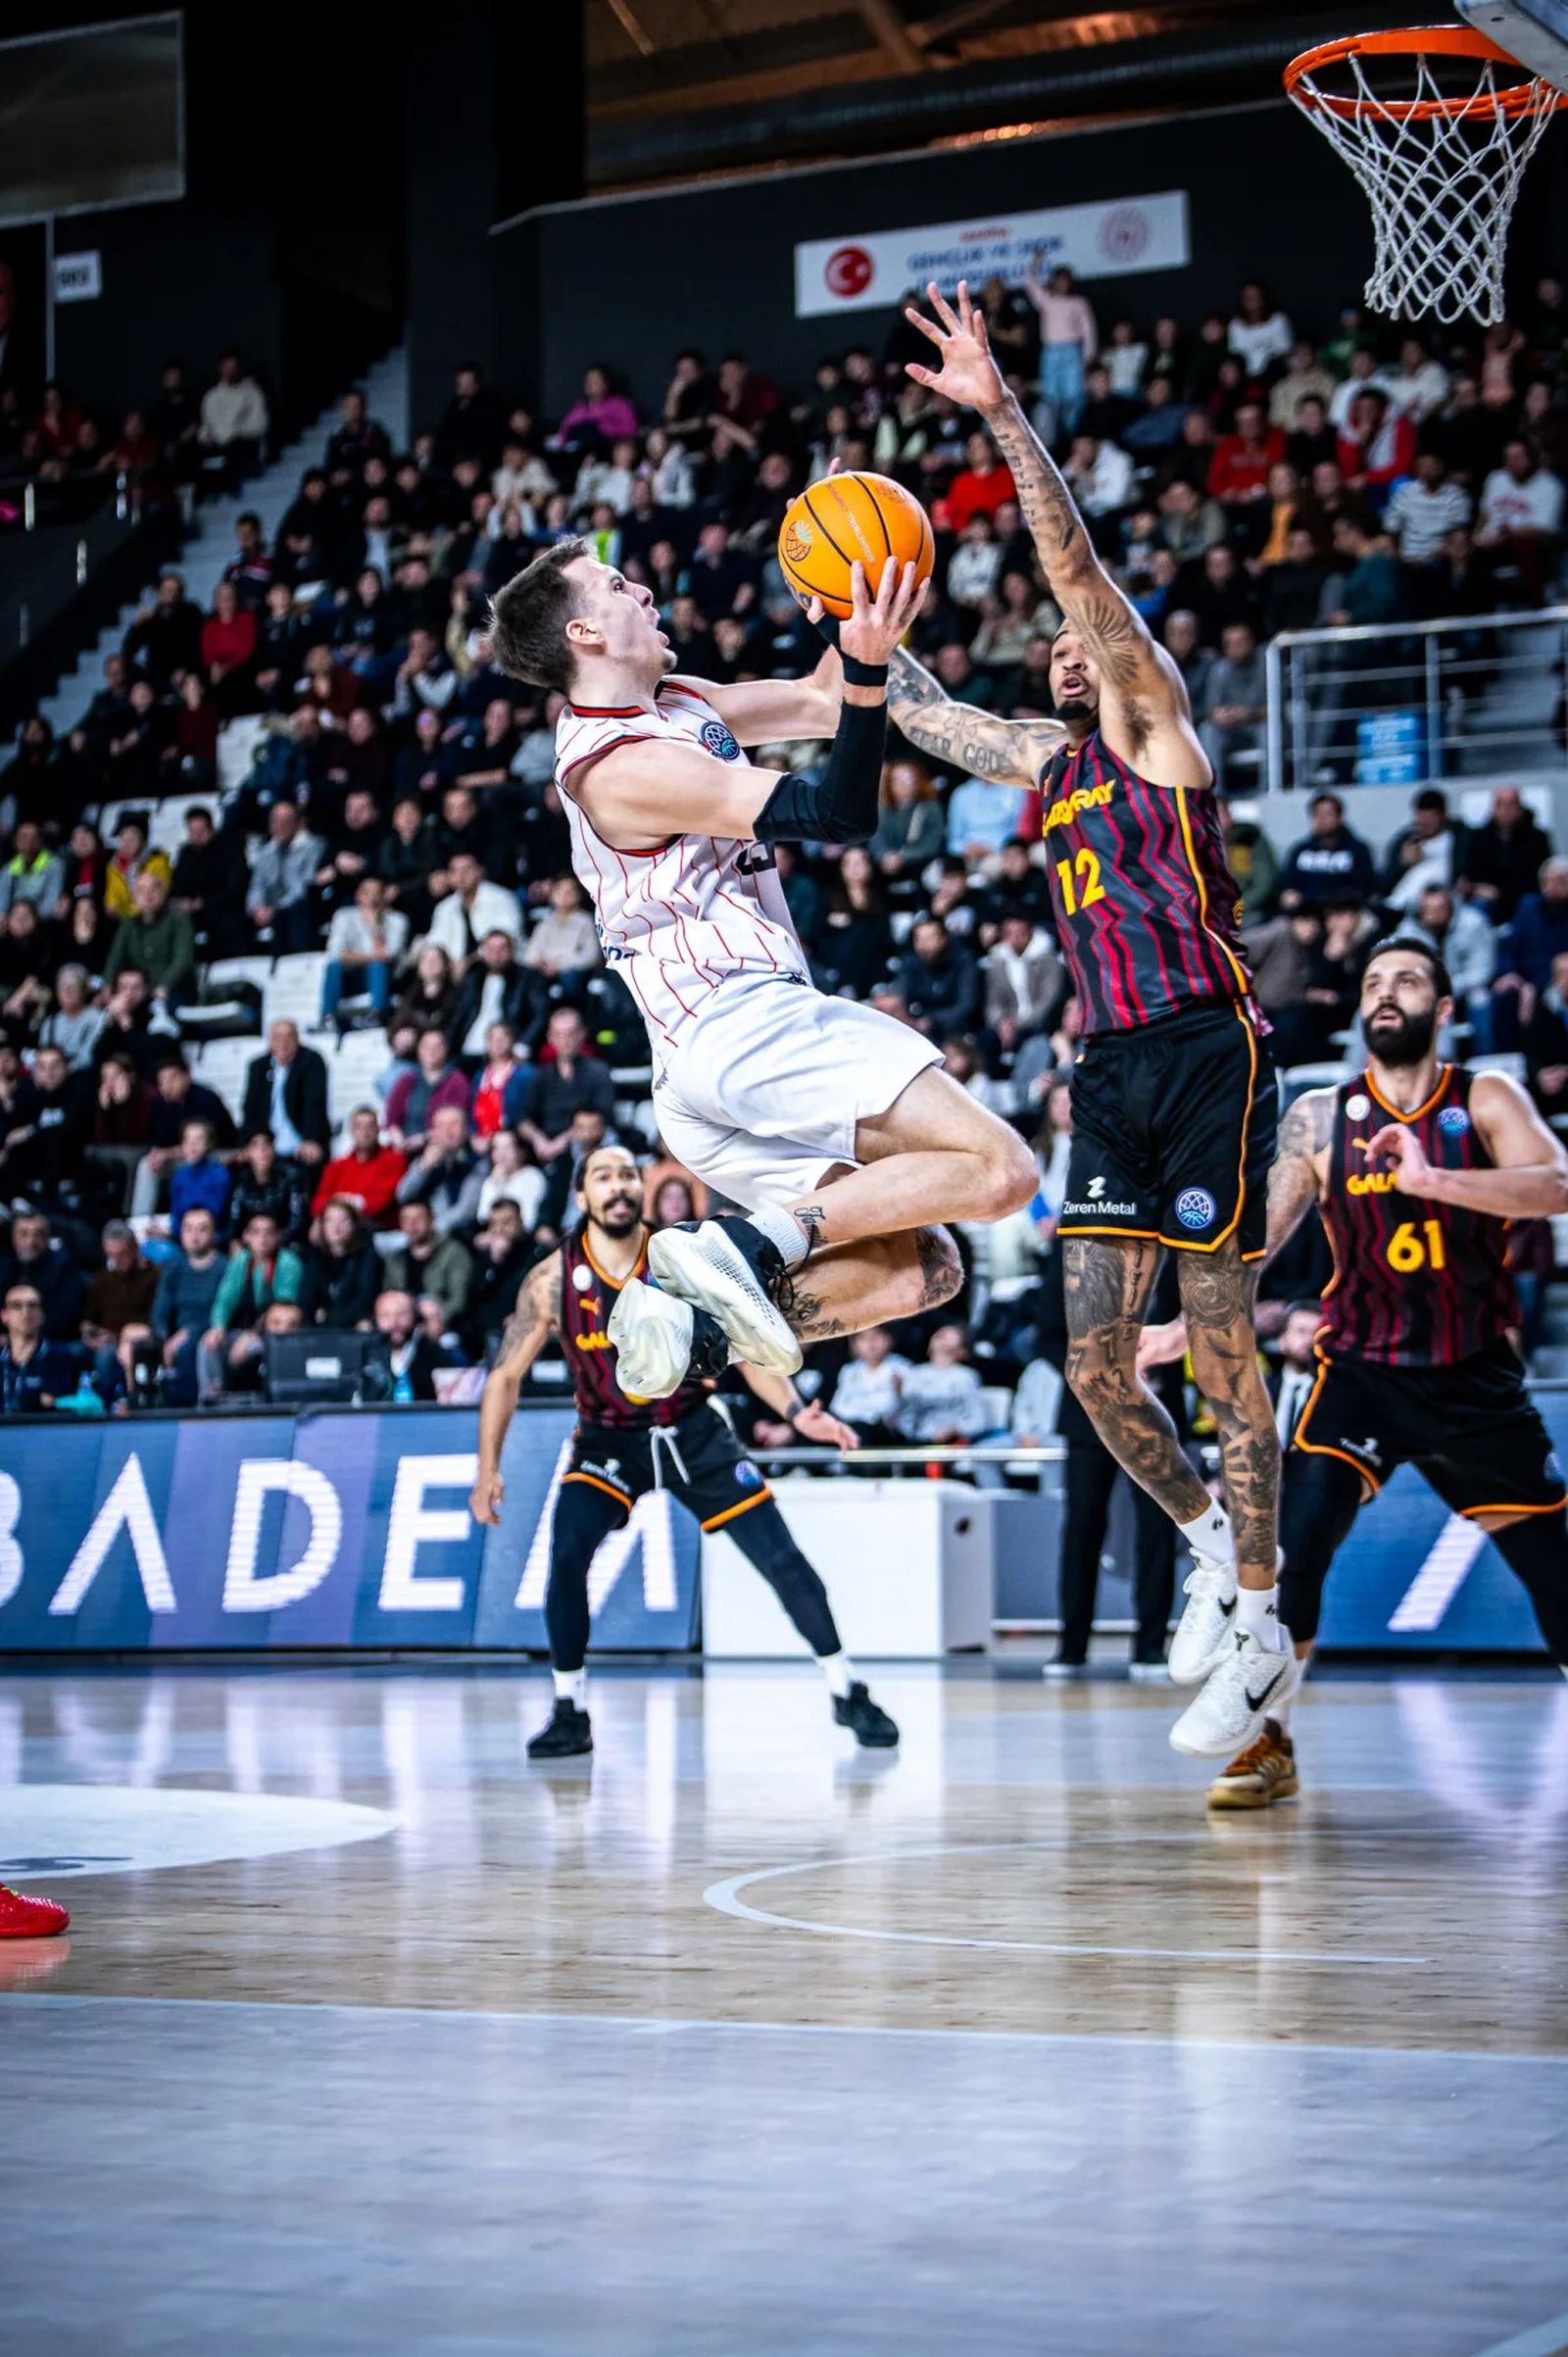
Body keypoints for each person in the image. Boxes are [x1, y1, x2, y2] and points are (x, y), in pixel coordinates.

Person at [886, 278, 1284, 1760]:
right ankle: (1206, 1549)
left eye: (1085, 639)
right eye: (1050, 646)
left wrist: (1000, 412)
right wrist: (856, 632)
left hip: (1208, 1046)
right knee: (1098, 1367)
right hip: (1109, 1067)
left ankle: (1261, 1619)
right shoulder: (1043, 765)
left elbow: (1080, 571)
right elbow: (920, 713)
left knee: (1223, 1352)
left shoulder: (1154, 733)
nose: (1066, 649)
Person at [487, 531, 1024, 1397]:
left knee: (919, 1267)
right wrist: (868, 668)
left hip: (706, 1066)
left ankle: (692, 1336)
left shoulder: (675, 701)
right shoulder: (622, 767)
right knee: (1002, 1169)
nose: (644, 592)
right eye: (617, 586)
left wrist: (848, 577)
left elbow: (822, 698)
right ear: (583, 633)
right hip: (737, 1020)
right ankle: (740, 1242)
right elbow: (839, 814)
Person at [1143, 937, 1568, 1796]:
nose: (1386, 992)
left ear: (1442, 1008)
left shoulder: (1484, 1096)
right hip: (1361, 1371)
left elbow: (1556, 1183)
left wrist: (1435, 1182)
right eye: (1374, 981)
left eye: (1407, 980)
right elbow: (1258, 1238)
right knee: (1294, 1547)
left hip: (1474, 1375)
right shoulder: (1323, 1115)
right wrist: (1193, 1322)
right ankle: (1269, 1741)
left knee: (1554, 1575)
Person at [469, 1146, 899, 1757]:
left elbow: (748, 1345)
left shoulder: (683, 1253)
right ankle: (570, 1708)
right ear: (582, 1196)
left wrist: (797, 1411)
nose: (619, 1186)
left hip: (694, 1430)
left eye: (628, 1175)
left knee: (782, 1559)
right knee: (565, 1555)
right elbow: (505, 1377)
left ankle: (846, 1689)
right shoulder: (552, 1279)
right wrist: (487, 1468)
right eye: (603, 1177)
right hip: (609, 1437)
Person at [148, 1205, 225, 1406]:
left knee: (189, 1347)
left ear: (213, 1233)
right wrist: (163, 1337)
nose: (194, 1236)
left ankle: (192, 1409)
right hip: (177, 1335)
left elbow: (224, 1310)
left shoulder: (224, 1268)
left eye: (202, 1229)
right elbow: (160, 1310)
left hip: (210, 1333)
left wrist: (190, 1332)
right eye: (188, 1229)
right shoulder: (174, 1268)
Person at [241, 1021, 331, 1167]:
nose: (283, 1042)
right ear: (270, 1041)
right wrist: (248, 1143)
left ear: (297, 1039)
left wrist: (310, 1139)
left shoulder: (311, 1061)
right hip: (267, 1145)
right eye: (277, 1037)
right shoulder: (258, 1066)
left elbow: (314, 1104)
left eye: (289, 1036)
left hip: (300, 1143)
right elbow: (250, 1107)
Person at [311, 1105, 407, 1227]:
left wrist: (339, 1200)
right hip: (341, 1226)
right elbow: (318, 1204)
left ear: (378, 1129)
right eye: (359, 1127)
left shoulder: (394, 1161)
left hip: (378, 1228)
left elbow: (379, 1203)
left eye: (370, 1126)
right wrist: (354, 1202)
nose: (364, 1132)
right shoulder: (336, 1166)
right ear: (352, 1131)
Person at [0, 1280, 82, 1415]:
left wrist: (56, 1402)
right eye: (16, 1306)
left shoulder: (60, 1356)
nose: (25, 1312)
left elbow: (83, 1404)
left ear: (42, 1315)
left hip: (45, 1427)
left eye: (32, 1306)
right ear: (4, 1316)